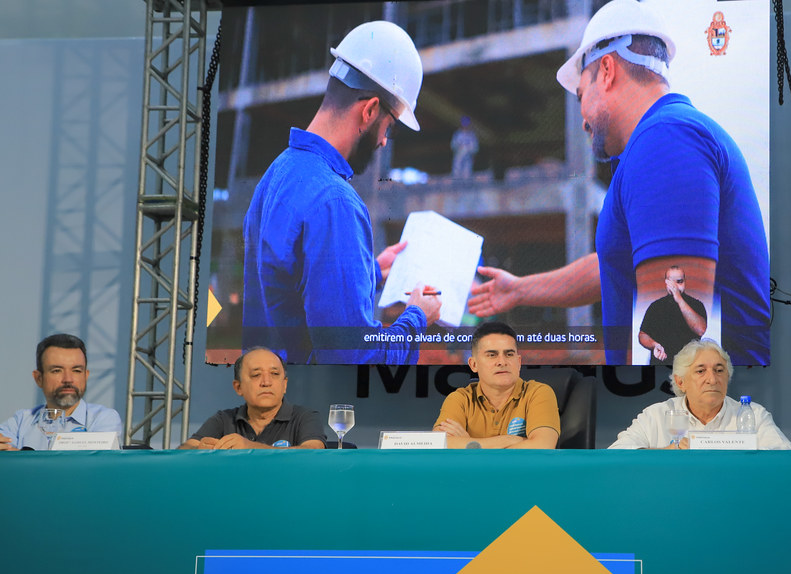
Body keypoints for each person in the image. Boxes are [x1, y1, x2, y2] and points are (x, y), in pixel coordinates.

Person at [467, 0, 769, 366]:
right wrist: (519, 289)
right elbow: (612, 264)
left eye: (581, 95)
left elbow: (678, 342)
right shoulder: (659, 141)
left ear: (607, 71)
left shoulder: (664, 140)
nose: (582, 120)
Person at [242, 20, 441, 364]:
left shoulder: (277, 175)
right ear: (370, 110)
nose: (384, 141)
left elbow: (289, 290)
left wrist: (370, 272)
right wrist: (417, 317)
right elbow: (357, 360)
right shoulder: (335, 202)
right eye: (389, 126)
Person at [609, 339, 791, 449]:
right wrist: (666, 452)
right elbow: (617, 454)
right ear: (680, 382)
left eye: (719, 370)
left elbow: (786, 460)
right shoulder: (656, 416)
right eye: (700, 371)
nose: (712, 379)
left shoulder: (753, 414)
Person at [433, 322, 560, 449]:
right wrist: (510, 440)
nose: (502, 362)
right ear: (473, 364)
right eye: (492, 355)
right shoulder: (460, 399)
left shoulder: (538, 393)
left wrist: (470, 445)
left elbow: (542, 446)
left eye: (509, 354)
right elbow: (438, 444)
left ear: (519, 362)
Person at [180, 347, 326, 450]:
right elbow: (185, 449)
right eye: (256, 375)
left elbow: (313, 452)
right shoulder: (224, 419)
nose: (266, 382)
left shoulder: (304, 417)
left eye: (275, 374)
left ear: (285, 384)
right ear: (238, 387)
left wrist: (250, 447)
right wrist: (200, 448)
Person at [0, 334, 122, 451]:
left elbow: (94, 464)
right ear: (39, 378)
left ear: (86, 376)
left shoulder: (103, 419)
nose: (68, 379)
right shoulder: (20, 421)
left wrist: (19, 456)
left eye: (76, 370)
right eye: (57, 370)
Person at [638, 266, 707, 364]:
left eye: (679, 282)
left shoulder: (696, 305)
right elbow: (643, 334)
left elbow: (700, 330)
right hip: (661, 364)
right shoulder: (655, 306)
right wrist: (654, 345)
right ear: (666, 283)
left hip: (689, 366)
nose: (675, 287)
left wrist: (679, 299)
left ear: (685, 282)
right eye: (671, 282)